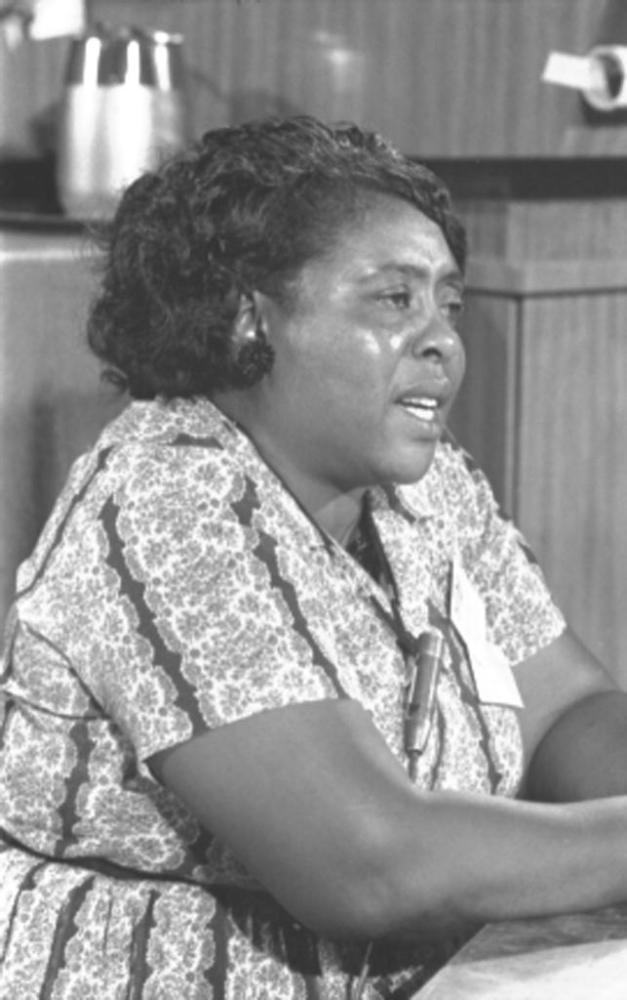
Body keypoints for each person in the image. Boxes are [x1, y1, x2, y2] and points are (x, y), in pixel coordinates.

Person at [2, 114, 627, 1000]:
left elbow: (564, 711)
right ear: (249, 319)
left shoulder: (429, 487)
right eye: (393, 299)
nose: (442, 339)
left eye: (447, 304)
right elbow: (366, 863)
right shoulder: (165, 499)